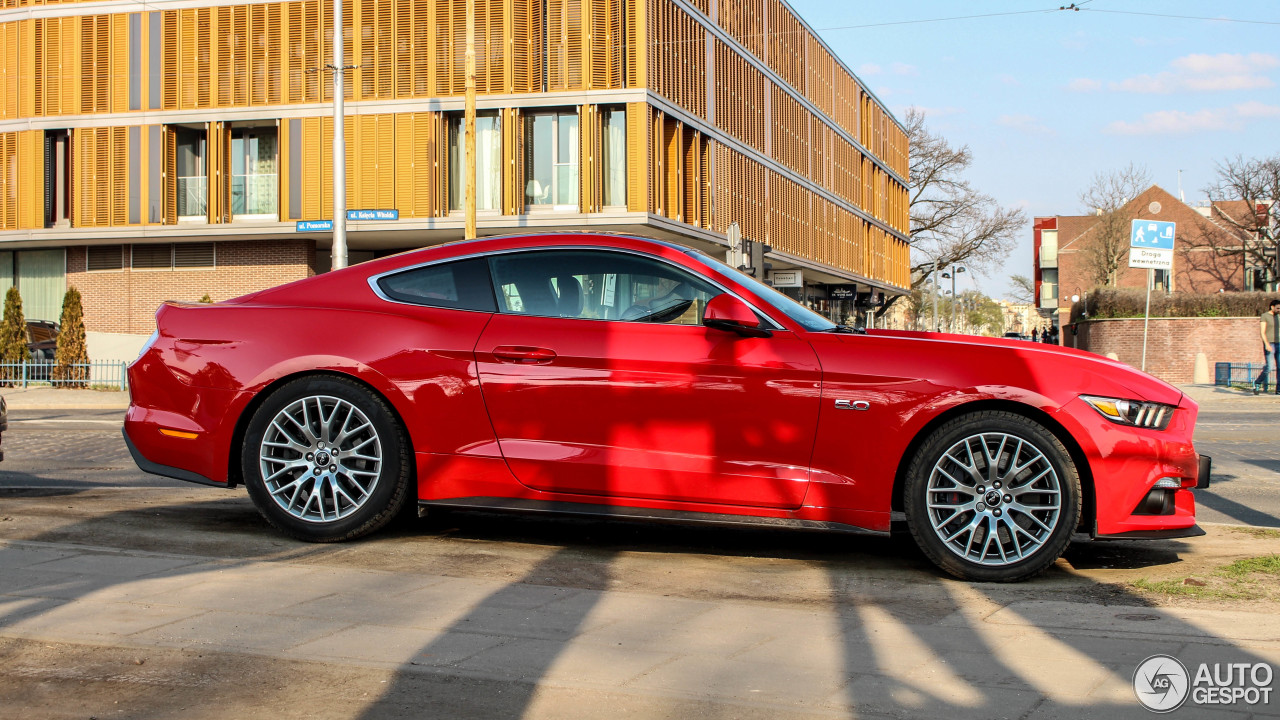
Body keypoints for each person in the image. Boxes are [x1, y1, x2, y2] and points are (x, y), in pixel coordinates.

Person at [1257, 299, 1280, 395]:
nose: (1279, 310)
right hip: (1270, 343)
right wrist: (1266, 344)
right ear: (1272, 307)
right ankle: (1257, 382)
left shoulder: (1279, 316)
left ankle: (1278, 389)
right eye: (1278, 308)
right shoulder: (1265, 316)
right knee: (1270, 367)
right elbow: (1262, 332)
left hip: (1279, 343)